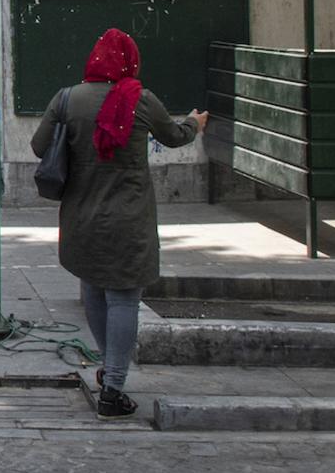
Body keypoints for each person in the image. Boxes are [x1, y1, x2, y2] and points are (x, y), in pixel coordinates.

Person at [32, 28, 205, 420]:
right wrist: (196, 123)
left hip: (81, 213)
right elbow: (176, 136)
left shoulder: (66, 99)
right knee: (124, 297)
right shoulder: (141, 101)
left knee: (92, 288)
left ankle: (110, 370)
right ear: (129, 61)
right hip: (129, 217)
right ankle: (112, 388)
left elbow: (40, 147)